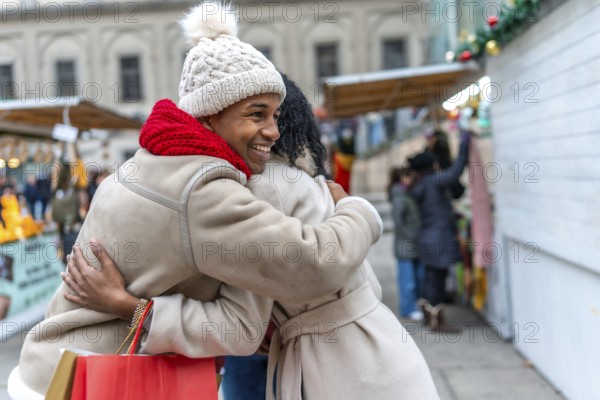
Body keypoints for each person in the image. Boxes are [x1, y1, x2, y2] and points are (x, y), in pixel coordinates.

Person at [9, 4, 382, 398]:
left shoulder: (148, 161)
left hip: (50, 369)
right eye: (256, 114)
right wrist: (358, 211)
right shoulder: (204, 189)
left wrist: (128, 304)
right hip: (95, 381)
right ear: (208, 116)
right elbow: (316, 265)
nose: (273, 131)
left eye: (275, 115)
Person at [61, 75, 439, 400]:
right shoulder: (308, 182)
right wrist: (356, 209)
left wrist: (129, 306)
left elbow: (239, 328)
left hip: (339, 370)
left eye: (267, 114)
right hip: (379, 351)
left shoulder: (262, 189)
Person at [409, 131, 470, 330]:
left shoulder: (419, 184)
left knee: (431, 278)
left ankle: (429, 318)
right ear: (431, 166)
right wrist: (464, 145)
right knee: (438, 279)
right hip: (439, 238)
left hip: (428, 236)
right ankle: (437, 322)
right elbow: (456, 172)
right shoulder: (432, 181)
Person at [389, 166, 424, 321]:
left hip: (412, 244)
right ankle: (407, 308)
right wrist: (413, 235)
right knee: (407, 280)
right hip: (405, 245)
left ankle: (412, 306)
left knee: (415, 278)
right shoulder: (399, 195)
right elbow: (399, 221)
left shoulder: (405, 194)